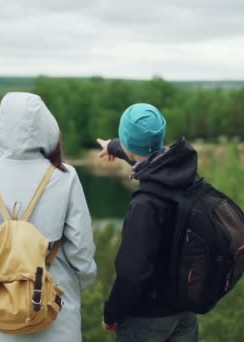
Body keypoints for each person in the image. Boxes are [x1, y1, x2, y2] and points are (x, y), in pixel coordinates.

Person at [0, 92, 97, 342]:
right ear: (48, 128)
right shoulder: (64, 176)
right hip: (56, 313)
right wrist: (71, 289)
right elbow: (81, 252)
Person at [97, 103, 199, 341]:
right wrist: (113, 146)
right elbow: (150, 157)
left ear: (128, 143)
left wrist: (111, 314)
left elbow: (133, 272)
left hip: (147, 318)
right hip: (185, 311)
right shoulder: (186, 176)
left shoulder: (145, 204)